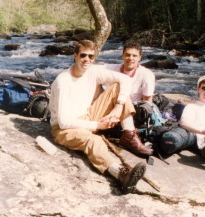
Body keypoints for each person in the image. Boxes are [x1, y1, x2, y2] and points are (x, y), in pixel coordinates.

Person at [49, 40, 153, 193]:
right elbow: (64, 122)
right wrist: (97, 126)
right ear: (75, 56)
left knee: (118, 87)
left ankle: (129, 134)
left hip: (88, 115)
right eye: (83, 55)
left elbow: (125, 79)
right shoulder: (62, 81)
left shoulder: (93, 71)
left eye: (91, 57)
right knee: (93, 140)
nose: (87, 60)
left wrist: (117, 108)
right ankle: (121, 174)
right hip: (64, 128)